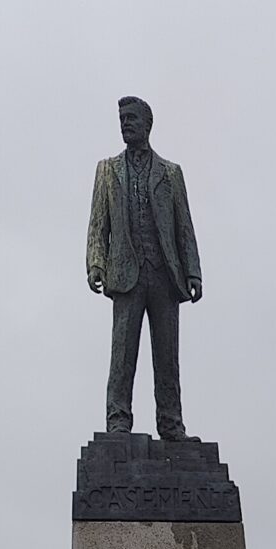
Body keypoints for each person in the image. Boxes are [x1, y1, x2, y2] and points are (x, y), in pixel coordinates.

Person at [86, 94, 202, 439]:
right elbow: (98, 223)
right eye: (122, 119)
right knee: (122, 355)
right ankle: (118, 420)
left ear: (147, 124)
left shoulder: (170, 173)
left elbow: (184, 226)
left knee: (167, 358)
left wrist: (192, 270)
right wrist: (96, 262)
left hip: (165, 275)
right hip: (126, 275)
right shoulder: (108, 170)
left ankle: (171, 424)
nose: (125, 124)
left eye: (131, 118)